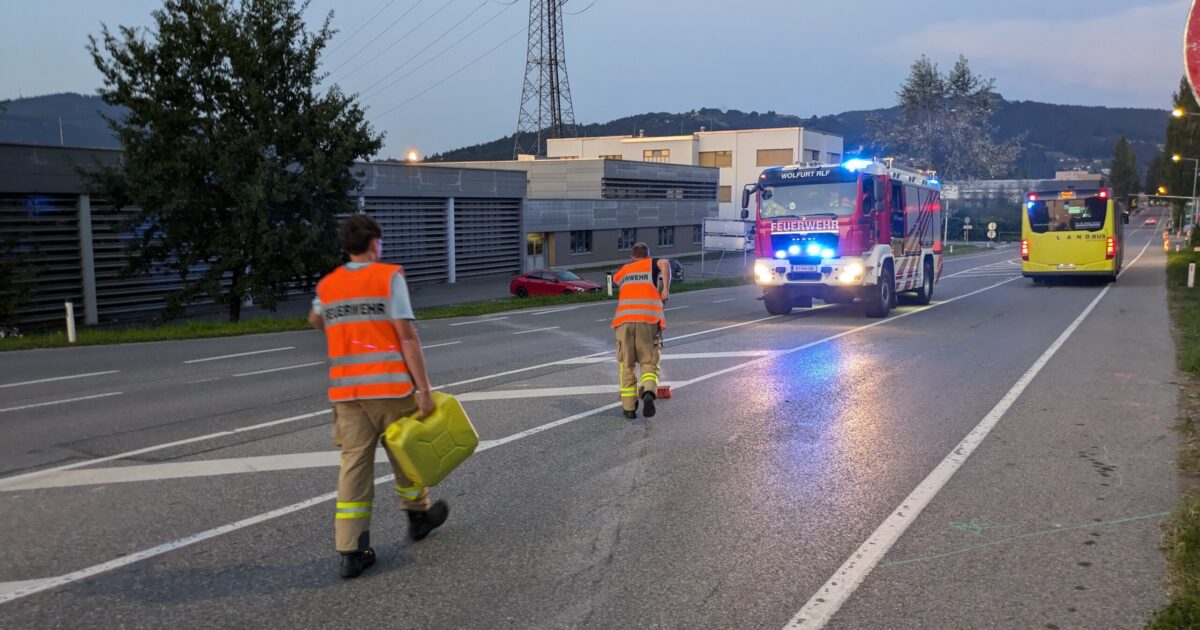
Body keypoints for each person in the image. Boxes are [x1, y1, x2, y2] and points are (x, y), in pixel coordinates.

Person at [308, 215, 448, 579]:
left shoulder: (329, 285)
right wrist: (424, 388)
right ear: (374, 244)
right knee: (407, 453)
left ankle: (351, 551)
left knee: (353, 467)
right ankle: (418, 518)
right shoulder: (388, 277)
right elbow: (406, 336)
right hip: (388, 388)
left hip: (346, 393)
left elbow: (315, 319)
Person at [611, 242, 670, 419]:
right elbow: (665, 263)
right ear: (648, 255)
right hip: (647, 321)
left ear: (632, 257)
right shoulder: (651, 264)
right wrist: (665, 289)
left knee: (626, 365)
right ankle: (648, 393)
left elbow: (615, 280)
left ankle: (629, 409)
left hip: (623, 323)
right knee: (648, 362)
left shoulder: (624, 270)